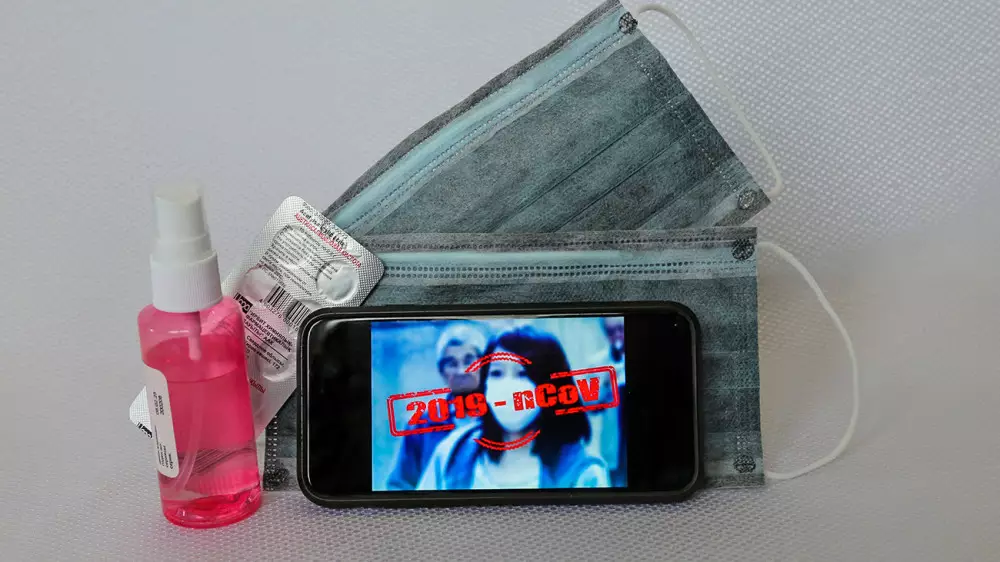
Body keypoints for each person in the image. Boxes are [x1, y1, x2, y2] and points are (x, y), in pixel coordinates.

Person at [417, 326, 610, 490]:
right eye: (496, 373)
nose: (507, 387)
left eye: (522, 374)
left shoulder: (582, 472)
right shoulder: (452, 454)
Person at [384, 322, 488, 490]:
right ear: (442, 372)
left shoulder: (502, 417)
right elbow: (400, 485)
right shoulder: (421, 424)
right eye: (452, 364)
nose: (461, 371)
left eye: (469, 361)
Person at [585, 316, 627, 487]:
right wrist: (604, 383)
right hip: (614, 441)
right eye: (610, 332)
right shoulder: (597, 363)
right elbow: (590, 406)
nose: (617, 335)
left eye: (621, 329)